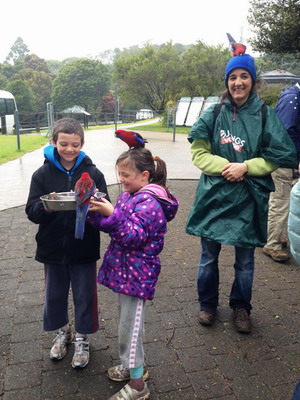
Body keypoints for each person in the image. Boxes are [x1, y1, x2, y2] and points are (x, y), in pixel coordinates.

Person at [186, 51, 297, 334]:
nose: (238, 82)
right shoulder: (213, 112)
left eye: (244, 76)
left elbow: (277, 155)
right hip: (214, 197)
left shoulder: (264, 114)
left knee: (245, 260)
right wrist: (226, 166)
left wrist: (245, 167)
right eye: (233, 77)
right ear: (227, 82)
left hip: (248, 198)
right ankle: (207, 305)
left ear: (253, 81)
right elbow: (198, 152)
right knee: (208, 258)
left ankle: (241, 307)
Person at [87, 147, 178, 400]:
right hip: (126, 273)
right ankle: (132, 367)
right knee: (126, 324)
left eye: (126, 174)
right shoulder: (131, 195)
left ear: (144, 175)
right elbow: (116, 226)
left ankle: (138, 386)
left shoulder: (150, 203)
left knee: (131, 328)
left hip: (137, 276)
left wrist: (109, 213)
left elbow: (132, 235)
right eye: (120, 173)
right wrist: (94, 213)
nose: (121, 179)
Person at [25, 118, 109, 369]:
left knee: (85, 296)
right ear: (53, 142)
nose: (69, 149)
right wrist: (48, 206)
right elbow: (31, 211)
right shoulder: (41, 174)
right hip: (52, 248)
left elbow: (105, 206)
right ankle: (63, 332)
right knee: (54, 295)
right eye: (64, 144)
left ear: (82, 144)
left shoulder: (94, 173)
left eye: (75, 145)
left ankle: (82, 338)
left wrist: (93, 206)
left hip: (83, 248)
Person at [263, 82, 300, 262]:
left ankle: (276, 237)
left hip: (282, 160)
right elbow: (287, 132)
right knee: (280, 201)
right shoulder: (293, 99)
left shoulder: (290, 96)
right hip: (282, 161)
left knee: (281, 200)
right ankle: (272, 244)